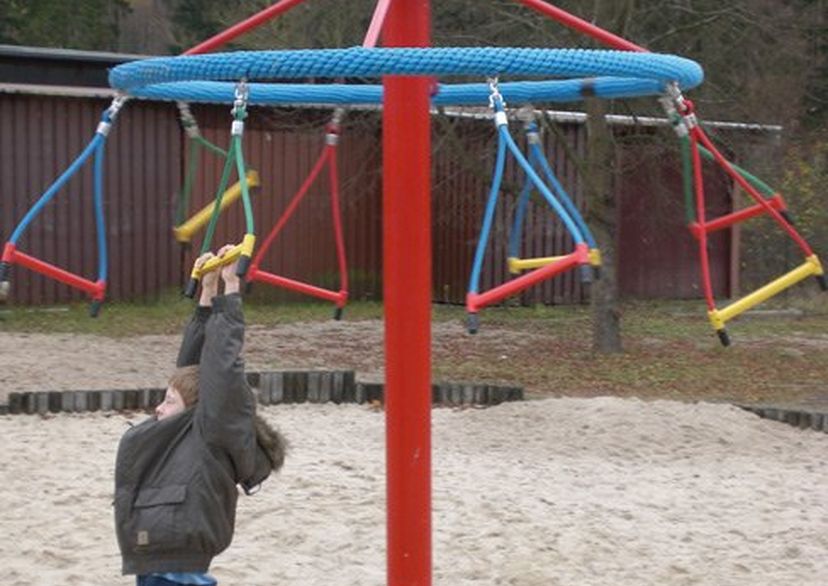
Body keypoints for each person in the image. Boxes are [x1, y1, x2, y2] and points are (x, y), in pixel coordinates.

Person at [114, 246, 287, 586]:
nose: (158, 409)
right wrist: (207, 293)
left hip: (177, 563)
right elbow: (189, 369)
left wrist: (231, 289)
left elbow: (222, 369)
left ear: (197, 409)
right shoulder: (183, 427)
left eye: (168, 401)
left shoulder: (211, 428)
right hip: (157, 559)